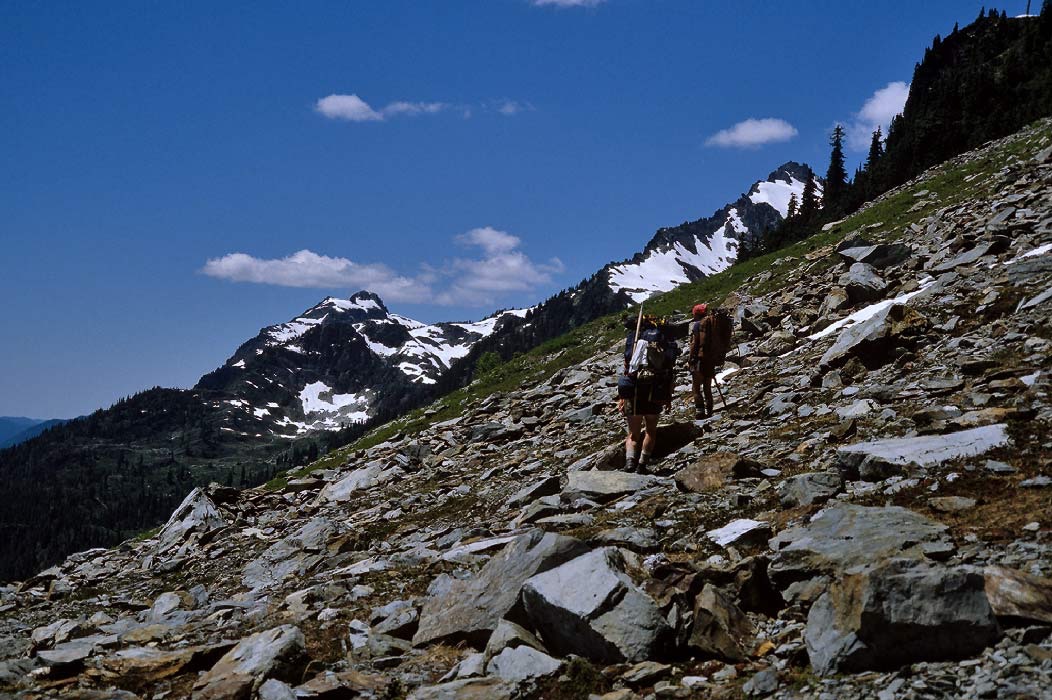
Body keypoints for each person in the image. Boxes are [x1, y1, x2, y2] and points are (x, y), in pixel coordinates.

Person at [617, 315, 678, 470]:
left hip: (635, 390)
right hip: (656, 390)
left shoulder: (635, 339)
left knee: (633, 433)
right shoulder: (664, 341)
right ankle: (642, 464)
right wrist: (668, 396)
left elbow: (627, 366)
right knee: (651, 430)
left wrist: (623, 398)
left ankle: (630, 462)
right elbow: (670, 370)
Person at [689, 303, 716, 418]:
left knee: (696, 387)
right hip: (711, 359)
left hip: (699, 359)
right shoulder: (712, 323)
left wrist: (691, 358)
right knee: (707, 387)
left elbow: (695, 344)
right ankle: (710, 411)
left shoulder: (697, 325)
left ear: (696, 314)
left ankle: (700, 412)